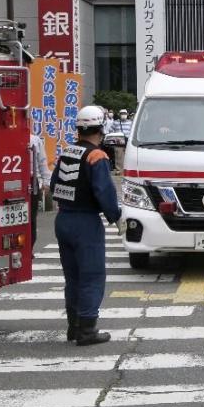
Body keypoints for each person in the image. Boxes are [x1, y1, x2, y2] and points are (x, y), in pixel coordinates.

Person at [50, 105, 122, 346]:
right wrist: (116, 216)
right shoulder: (97, 156)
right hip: (85, 222)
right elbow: (104, 192)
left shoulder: (67, 152)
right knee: (92, 275)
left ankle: (74, 326)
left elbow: (53, 186)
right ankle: (88, 330)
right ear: (101, 129)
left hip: (64, 220)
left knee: (73, 278)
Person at [29, 131, 51, 250]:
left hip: (31, 181)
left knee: (31, 218)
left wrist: (46, 182)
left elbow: (42, 161)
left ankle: (29, 248)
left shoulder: (34, 139)